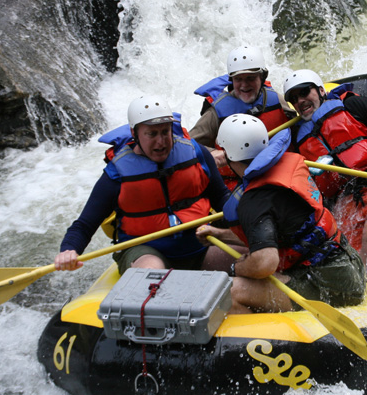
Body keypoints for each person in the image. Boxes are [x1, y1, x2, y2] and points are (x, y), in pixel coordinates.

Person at [197, 114, 366, 314]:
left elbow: (266, 262)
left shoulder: (254, 201)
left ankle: (261, 341)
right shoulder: (289, 164)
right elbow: (273, 235)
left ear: (226, 154)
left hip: (329, 289)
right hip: (350, 266)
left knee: (229, 291)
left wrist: (236, 268)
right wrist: (219, 234)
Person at [54, 95, 236, 275]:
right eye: (152, 134)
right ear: (135, 134)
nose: (161, 141)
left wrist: (248, 218)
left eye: (165, 132)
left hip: (200, 247)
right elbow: (85, 224)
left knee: (253, 260)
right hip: (146, 251)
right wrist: (69, 249)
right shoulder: (117, 173)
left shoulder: (195, 153)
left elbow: (221, 197)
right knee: (153, 272)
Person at [282, 69, 367, 268]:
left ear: (321, 91)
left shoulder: (350, 105)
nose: (300, 100)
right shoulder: (297, 139)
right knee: (347, 261)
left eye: (304, 92)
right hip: (347, 204)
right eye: (293, 98)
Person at [189, 45, 296, 189]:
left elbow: (298, 128)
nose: (244, 85)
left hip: (280, 175)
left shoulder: (275, 100)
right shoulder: (217, 111)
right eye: (238, 79)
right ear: (232, 80)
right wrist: (212, 153)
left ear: (262, 77)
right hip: (238, 185)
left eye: (250, 78)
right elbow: (188, 143)